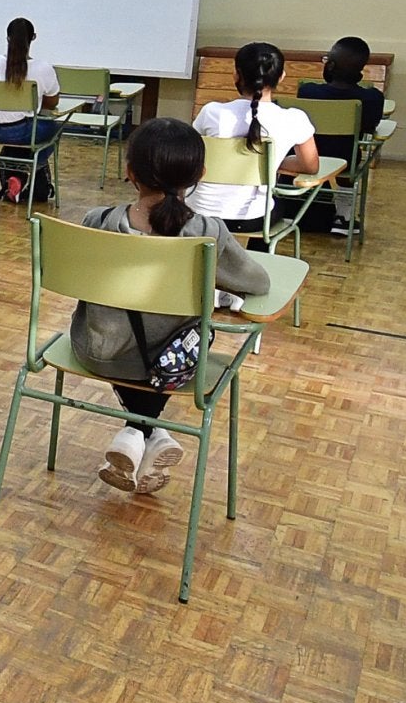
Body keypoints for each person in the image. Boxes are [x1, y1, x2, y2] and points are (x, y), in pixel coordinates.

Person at [71, 119, 270, 494]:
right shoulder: (206, 232)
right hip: (171, 363)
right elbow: (258, 283)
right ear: (200, 174)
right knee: (181, 337)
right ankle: (145, 430)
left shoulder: (96, 221)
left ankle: (139, 434)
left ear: (130, 172)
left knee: (125, 336)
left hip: (96, 352)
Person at [187, 42, 319, 247]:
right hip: (252, 219)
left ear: (236, 75)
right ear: (281, 77)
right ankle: (254, 263)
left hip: (199, 214)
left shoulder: (211, 112)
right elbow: (310, 166)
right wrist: (269, 164)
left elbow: (190, 156)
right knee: (274, 205)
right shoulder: (294, 119)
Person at [296, 37, 385, 236]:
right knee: (349, 152)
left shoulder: (308, 91)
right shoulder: (372, 98)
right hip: (346, 161)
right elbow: (371, 127)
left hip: (306, 157)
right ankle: (344, 217)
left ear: (331, 65)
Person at [0, 17, 60, 144]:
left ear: (8, 38)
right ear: (33, 37)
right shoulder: (44, 68)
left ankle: (10, 156)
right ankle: (23, 157)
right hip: (21, 132)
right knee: (55, 128)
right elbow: (51, 104)